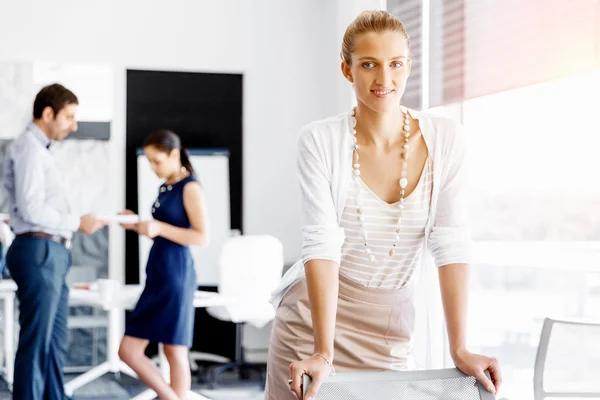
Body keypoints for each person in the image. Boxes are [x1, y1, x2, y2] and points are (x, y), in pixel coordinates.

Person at [265, 10, 502, 400]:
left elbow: (451, 242)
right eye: (369, 65)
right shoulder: (319, 141)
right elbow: (322, 244)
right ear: (347, 70)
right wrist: (323, 352)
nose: (384, 79)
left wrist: (459, 347)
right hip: (313, 319)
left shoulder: (446, 138)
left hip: (391, 322)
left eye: (395, 64)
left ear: (409, 66)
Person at [3, 83, 107, 400]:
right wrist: (77, 222)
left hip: (51, 251)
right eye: (69, 117)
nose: (74, 126)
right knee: (37, 342)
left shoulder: (41, 150)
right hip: (38, 250)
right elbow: (32, 209)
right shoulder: (29, 149)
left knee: (54, 341)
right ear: (48, 114)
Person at [117, 129, 209, 400]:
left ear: (174, 154)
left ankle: (170, 398)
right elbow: (161, 229)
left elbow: (202, 237)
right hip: (159, 272)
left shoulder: (190, 187)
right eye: (149, 161)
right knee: (161, 349)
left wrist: (158, 228)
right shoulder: (167, 186)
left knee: (171, 349)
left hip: (175, 274)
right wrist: (136, 224)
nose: (152, 167)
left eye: (156, 161)